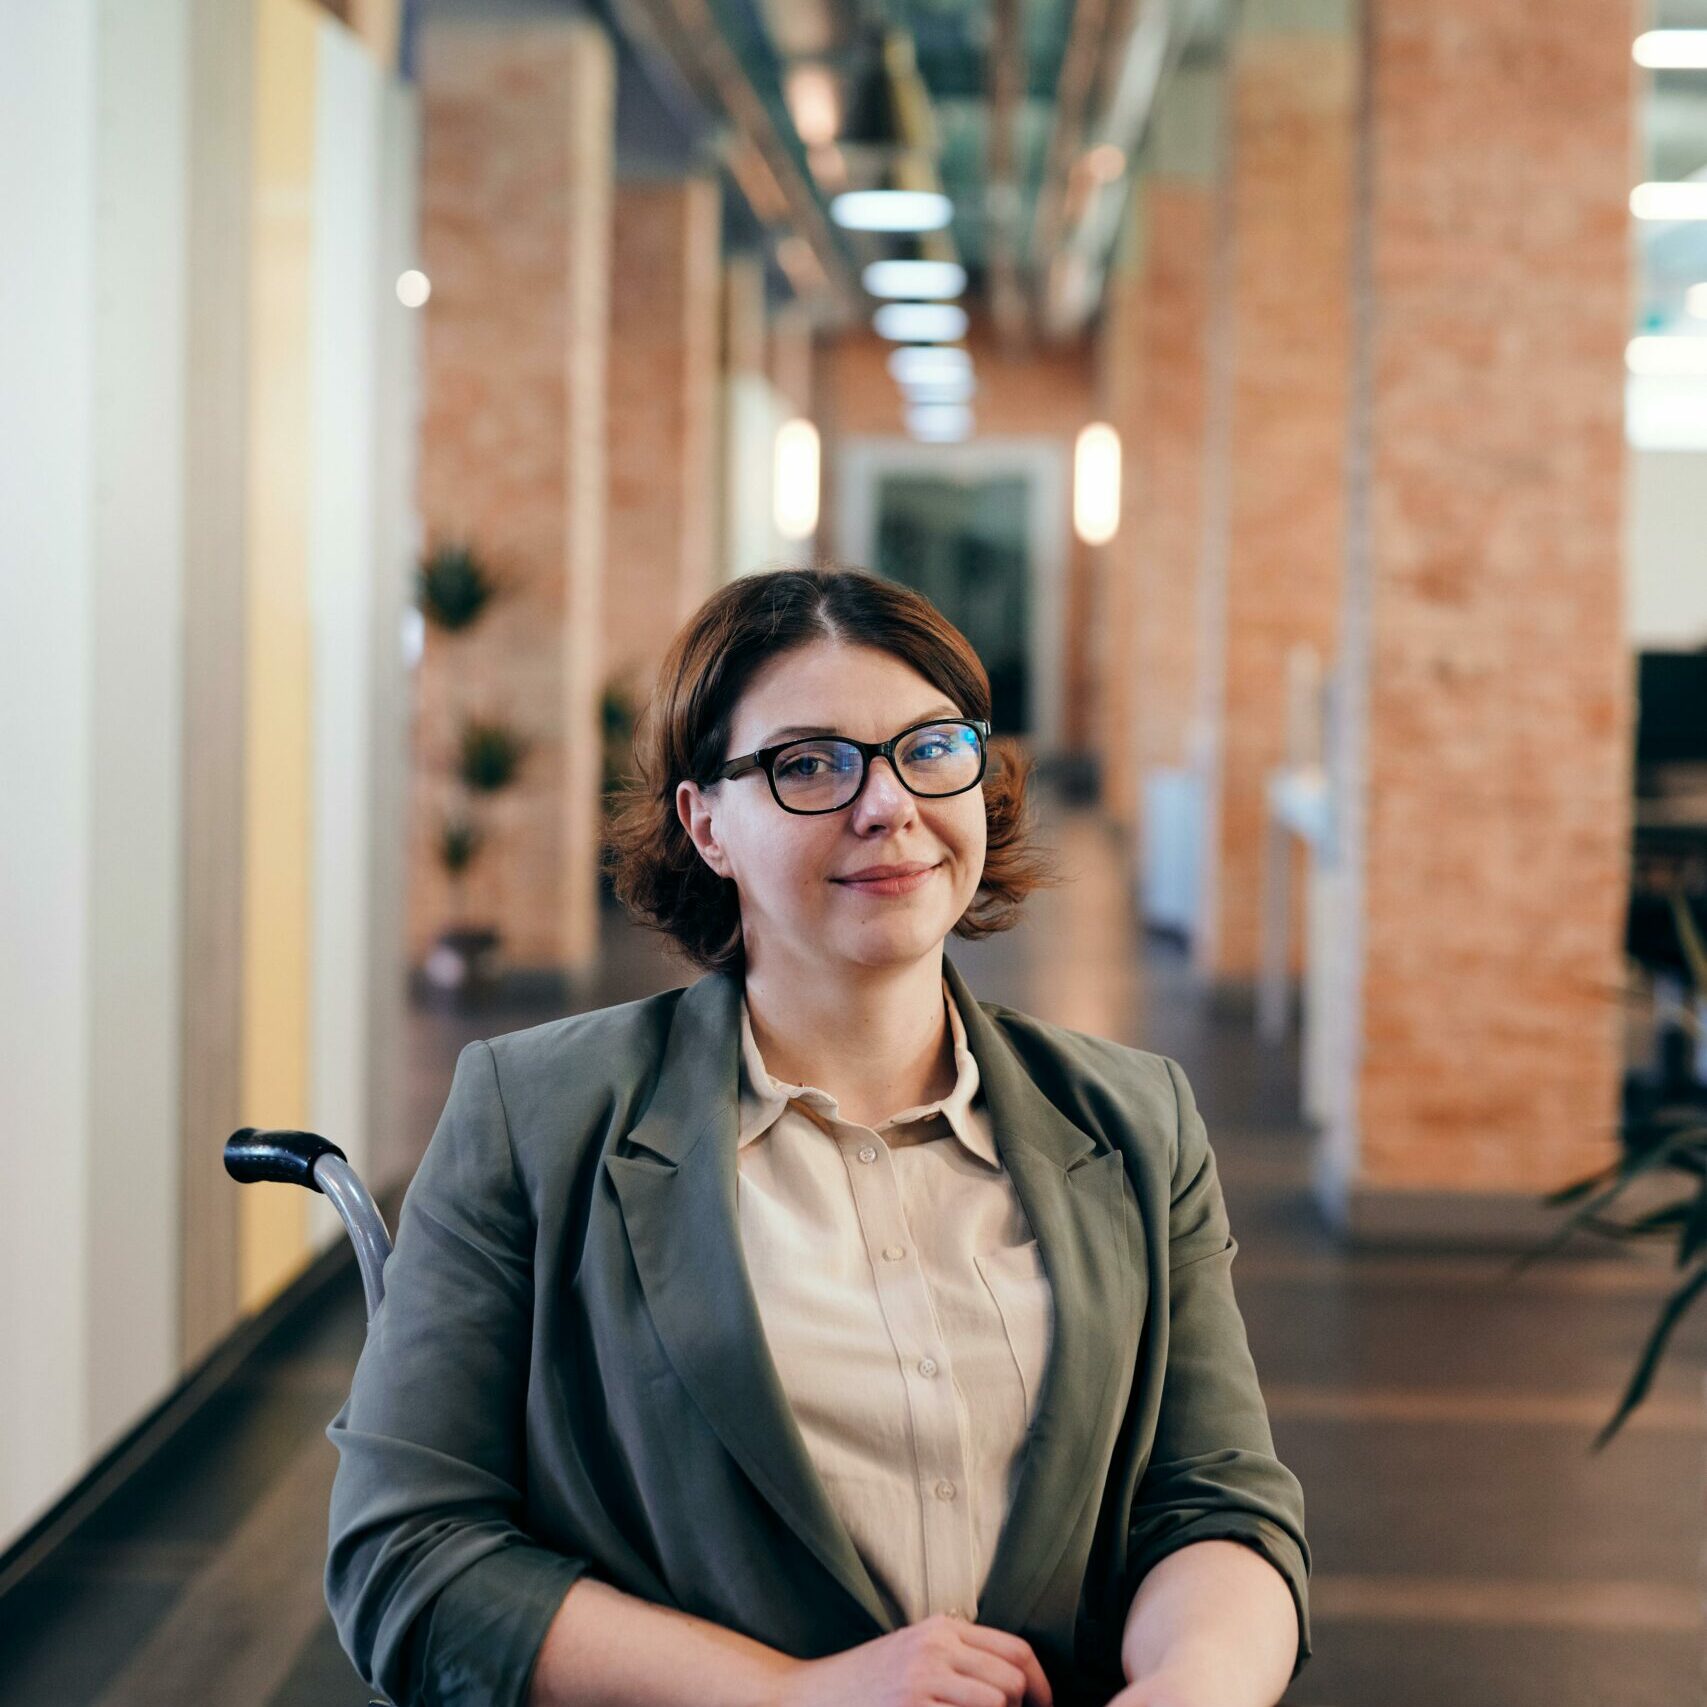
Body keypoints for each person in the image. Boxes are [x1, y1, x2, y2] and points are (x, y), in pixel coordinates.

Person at [324, 565, 1311, 1707]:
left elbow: (1215, 1500)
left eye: (931, 748)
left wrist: (1193, 1685)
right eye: (808, 764)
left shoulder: (1137, 1120)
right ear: (706, 825)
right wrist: (796, 1694)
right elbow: (408, 1558)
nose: (888, 804)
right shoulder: (535, 1115)